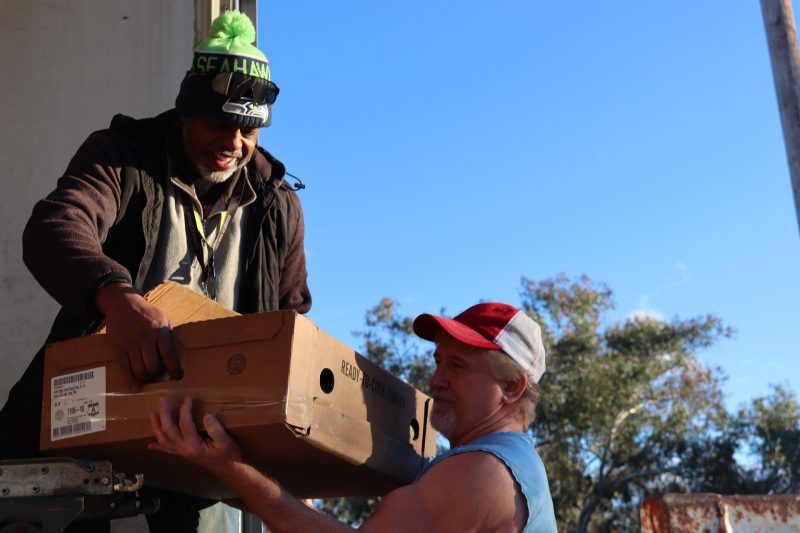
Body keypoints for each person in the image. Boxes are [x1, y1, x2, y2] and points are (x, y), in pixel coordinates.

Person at [0, 10, 310, 533]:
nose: (234, 142)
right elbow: (56, 225)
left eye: (248, 129)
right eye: (219, 123)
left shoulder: (278, 205)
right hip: (93, 405)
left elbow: (293, 319)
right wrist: (117, 299)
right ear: (185, 112)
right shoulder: (122, 156)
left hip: (209, 430)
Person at [150, 302, 559, 532]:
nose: (435, 379)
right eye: (438, 362)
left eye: (457, 366)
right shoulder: (504, 466)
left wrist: (232, 467)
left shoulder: (483, 472)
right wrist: (235, 478)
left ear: (512, 387)